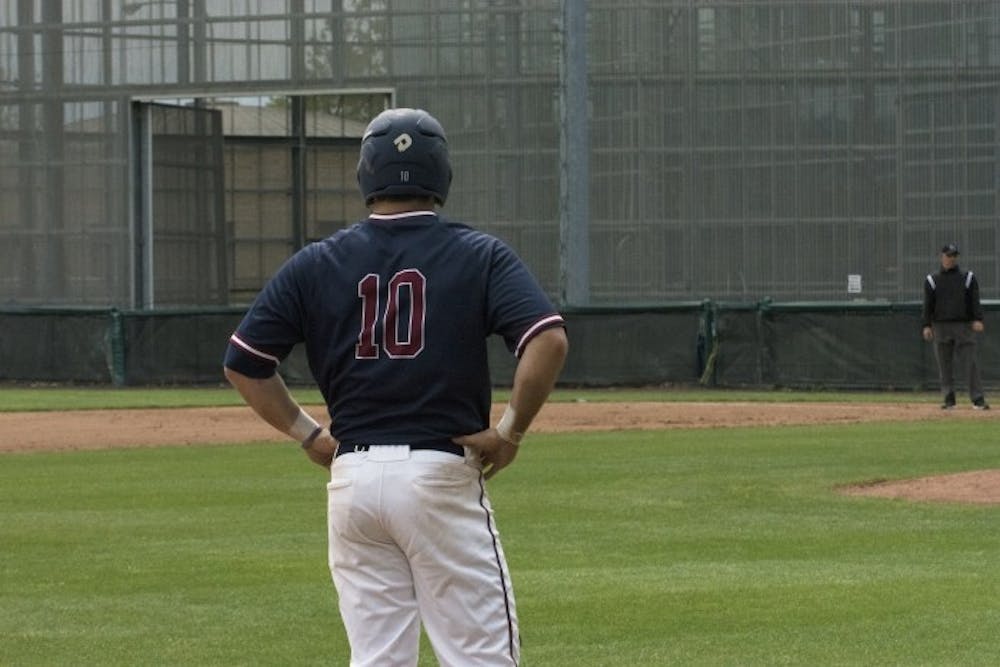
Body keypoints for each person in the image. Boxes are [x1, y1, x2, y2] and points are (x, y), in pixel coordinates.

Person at [223, 107, 568, 666]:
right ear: (442, 174)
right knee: (480, 656)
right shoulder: (479, 254)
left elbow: (244, 362)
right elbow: (547, 340)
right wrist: (510, 432)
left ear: (366, 174)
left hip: (353, 481)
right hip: (438, 475)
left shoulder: (317, 262)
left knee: (378, 659)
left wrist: (308, 435)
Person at [921, 242, 989, 410]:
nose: (951, 259)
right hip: (941, 326)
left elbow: (974, 300)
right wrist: (926, 325)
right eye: (948, 256)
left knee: (969, 362)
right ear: (942, 257)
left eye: (954, 256)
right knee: (944, 364)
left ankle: (977, 398)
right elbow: (928, 304)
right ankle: (949, 398)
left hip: (963, 326)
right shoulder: (932, 280)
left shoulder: (967, 277)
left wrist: (977, 319)